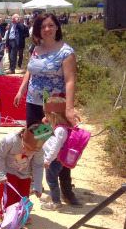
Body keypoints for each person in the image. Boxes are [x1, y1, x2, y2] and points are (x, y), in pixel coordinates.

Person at [13, 13, 82, 207]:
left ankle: (65, 190)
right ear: (37, 29)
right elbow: (30, 70)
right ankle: (29, 183)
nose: (47, 29)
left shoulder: (66, 52)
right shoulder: (36, 48)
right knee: (31, 143)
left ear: (57, 27)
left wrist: (68, 108)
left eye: (51, 25)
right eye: (43, 26)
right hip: (34, 102)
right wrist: (21, 90)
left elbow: (70, 80)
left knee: (58, 148)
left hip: (54, 107)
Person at [0, 121, 45, 220]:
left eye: (33, 151)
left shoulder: (39, 148)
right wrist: (1, 174)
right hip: (9, 171)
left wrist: (37, 185)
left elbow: (38, 165)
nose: (29, 152)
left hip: (26, 173)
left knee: (23, 197)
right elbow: (0, 156)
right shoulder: (10, 140)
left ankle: (21, 215)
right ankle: (6, 216)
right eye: (27, 148)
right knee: (9, 196)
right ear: (23, 137)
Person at [41, 96, 77, 210]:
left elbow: (55, 148)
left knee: (51, 181)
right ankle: (53, 196)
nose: (45, 117)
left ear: (52, 114)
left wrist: (47, 160)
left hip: (53, 160)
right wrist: (46, 124)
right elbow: (42, 134)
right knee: (52, 179)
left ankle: (56, 203)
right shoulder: (57, 126)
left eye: (46, 114)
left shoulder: (60, 130)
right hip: (54, 159)